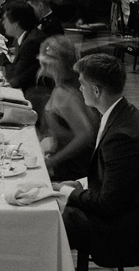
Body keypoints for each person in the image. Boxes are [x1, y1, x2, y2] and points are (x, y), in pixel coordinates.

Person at [53, 54, 139, 271]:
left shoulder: (121, 136)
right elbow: (117, 178)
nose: (79, 88)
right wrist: (79, 184)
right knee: (51, 204)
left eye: (82, 84)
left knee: (48, 221)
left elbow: (108, 204)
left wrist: (65, 191)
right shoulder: (121, 115)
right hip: (123, 212)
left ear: (96, 91)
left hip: (120, 232)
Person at [36, 36, 97, 182]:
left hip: (72, 171)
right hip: (72, 163)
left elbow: (86, 135)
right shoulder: (71, 85)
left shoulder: (63, 94)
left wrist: (54, 160)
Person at [0, 2, 46, 93]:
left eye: (5, 19)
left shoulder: (32, 43)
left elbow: (14, 80)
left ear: (16, 24)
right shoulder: (25, 35)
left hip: (34, 93)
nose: (3, 23)